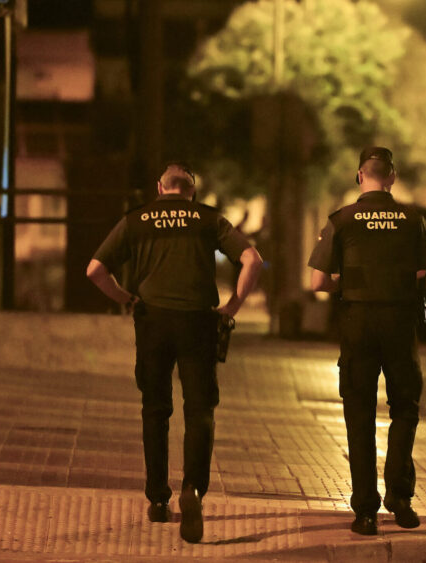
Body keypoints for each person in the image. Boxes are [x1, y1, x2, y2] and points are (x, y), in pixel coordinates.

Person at [86, 162, 263, 543]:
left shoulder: (137, 220)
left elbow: (94, 270)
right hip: (198, 322)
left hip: (152, 321)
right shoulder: (207, 219)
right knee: (200, 409)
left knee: (155, 409)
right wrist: (232, 307)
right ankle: (193, 490)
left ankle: (157, 499)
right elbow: (252, 259)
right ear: (191, 192)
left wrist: (126, 298)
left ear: (159, 187)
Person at [308, 147, 426, 536]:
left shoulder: (341, 220)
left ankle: (366, 512)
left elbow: (317, 281)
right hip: (400, 325)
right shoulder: (412, 219)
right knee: (404, 409)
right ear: (392, 177)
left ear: (360, 176)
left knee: (359, 416)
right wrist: (406, 280)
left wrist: (349, 283)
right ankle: (400, 499)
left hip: (358, 325)